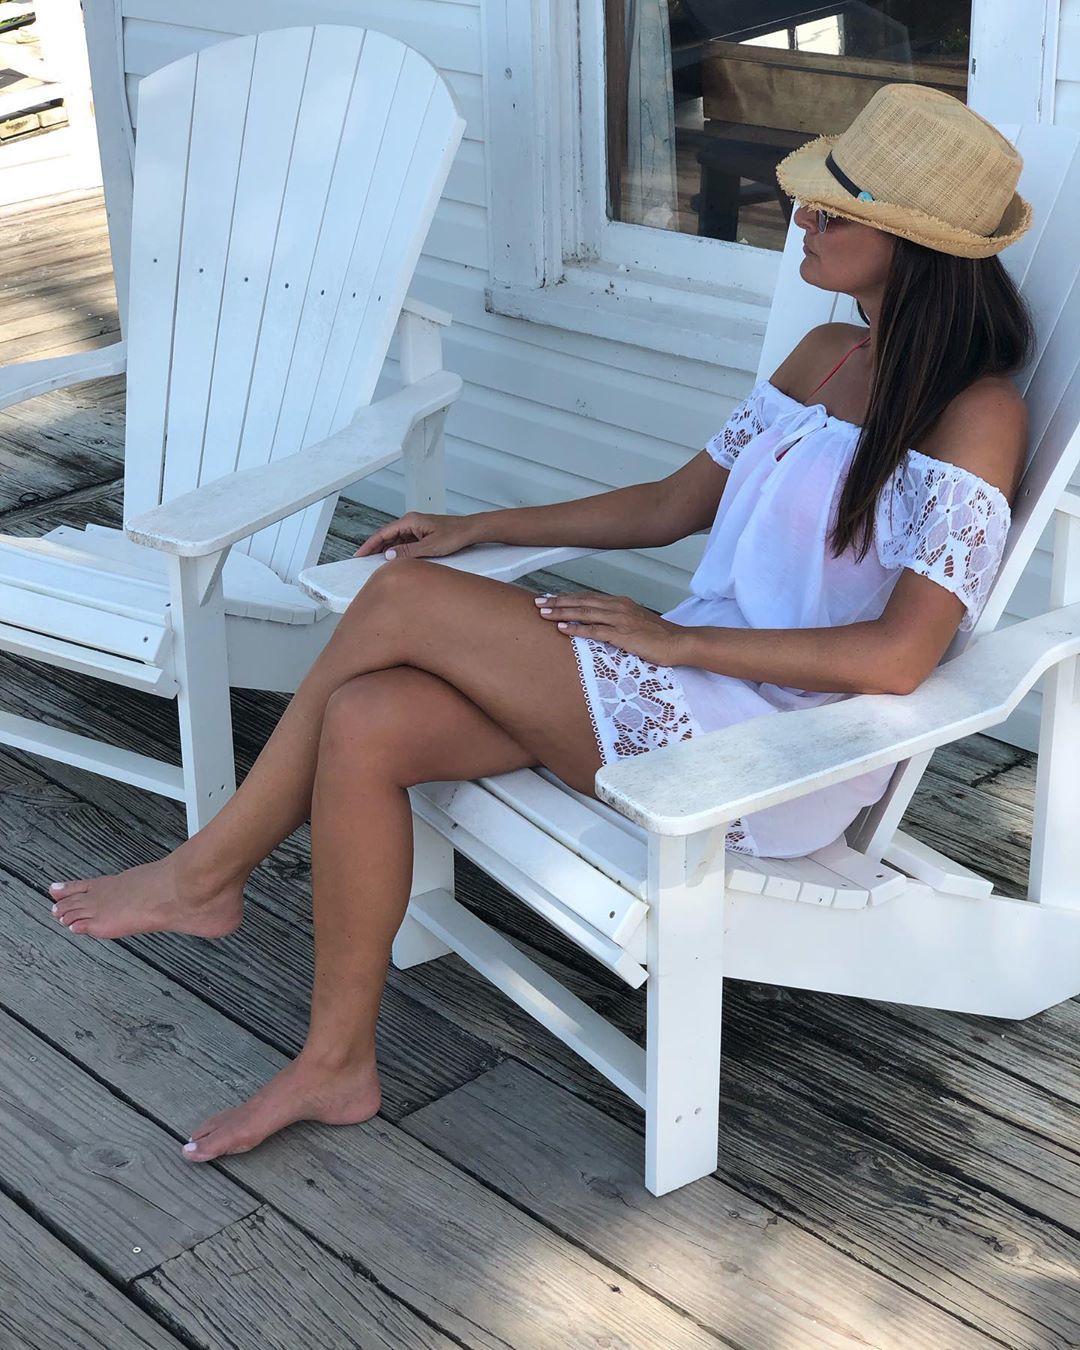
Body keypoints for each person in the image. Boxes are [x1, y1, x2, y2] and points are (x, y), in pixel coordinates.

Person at [46, 83, 1034, 1161]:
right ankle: (336, 1065)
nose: (802, 216)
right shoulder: (825, 356)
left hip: (772, 747)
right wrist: (483, 524)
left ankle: (207, 873)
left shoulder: (976, 414)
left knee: (401, 597)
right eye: (812, 198)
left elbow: (900, 654)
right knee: (370, 718)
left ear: (914, 246)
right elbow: (670, 504)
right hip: (682, 684)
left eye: (833, 209)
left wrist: (678, 641)